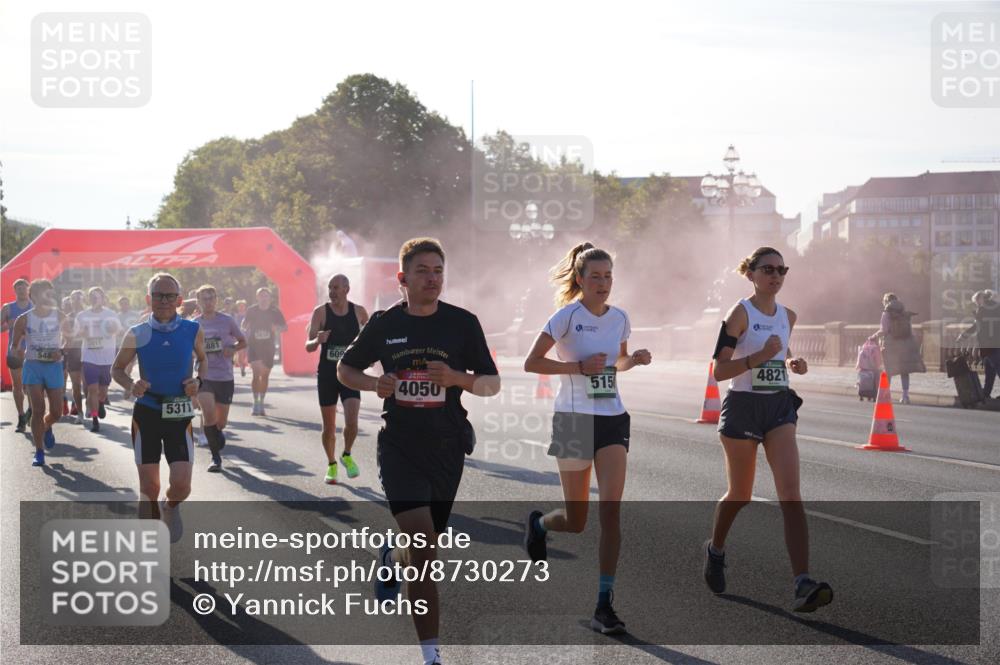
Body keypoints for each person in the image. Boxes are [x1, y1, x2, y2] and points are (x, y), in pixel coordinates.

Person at [338, 238, 500, 665]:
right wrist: (374, 384)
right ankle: (432, 657)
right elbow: (345, 368)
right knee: (425, 553)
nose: (432, 278)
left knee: (421, 546)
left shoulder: (462, 323)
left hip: (447, 448)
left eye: (438, 271)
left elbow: (491, 383)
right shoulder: (384, 324)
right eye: (423, 271)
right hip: (400, 447)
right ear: (403, 278)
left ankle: (392, 555)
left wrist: (457, 378)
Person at [521, 242, 651, 635]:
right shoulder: (566, 316)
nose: (603, 282)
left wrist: (633, 360)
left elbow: (618, 361)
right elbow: (531, 362)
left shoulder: (620, 318)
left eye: (608, 275)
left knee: (611, 512)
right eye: (595, 276)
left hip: (612, 419)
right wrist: (577, 367)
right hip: (573, 420)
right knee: (576, 520)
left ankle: (604, 604)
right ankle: (540, 525)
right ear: (580, 279)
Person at [704, 246, 832, 613]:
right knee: (740, 494)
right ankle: (716, 550)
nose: (776, 275)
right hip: (743, 408)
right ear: (752, 274)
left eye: (781, 270)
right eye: (768, 269)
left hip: (778, 408)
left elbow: (780, 352)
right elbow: (719, 370)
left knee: (791, 495)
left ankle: (802, 582)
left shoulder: (788, 316)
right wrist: (757, 358)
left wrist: (791, 362)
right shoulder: (739, 313)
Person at [112, 273, 206, 542]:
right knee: (149, 487)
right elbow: (116, 369)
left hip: (179, 413)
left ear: (179, 300)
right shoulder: (137, 333)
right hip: (147, 413)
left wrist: (198, 381)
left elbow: (203, 360)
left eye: (169, 296)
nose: (163, 301)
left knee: (182, 485)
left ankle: (171, 505)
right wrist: (131, 384)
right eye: (158, 295)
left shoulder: (192, 329)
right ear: (148, 299)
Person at [306, 274, 369, 484]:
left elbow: (372, 338)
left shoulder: (359, 312)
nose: (332, 292)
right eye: (330, 288)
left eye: (336, 288)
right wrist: (317, 340)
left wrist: (368, 357)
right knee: (329, 427)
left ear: (346, 289)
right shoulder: (320, 312)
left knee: (352, 422)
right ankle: (332, 464)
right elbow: (308, 346)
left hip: (350, 374)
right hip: (327, 376)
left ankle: (346, 454)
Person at [9, 280, 70, 466]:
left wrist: (61, 351)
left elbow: (69, 339)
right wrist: (17, 352)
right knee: (38, 409)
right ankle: (39, 451)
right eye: (44, 293)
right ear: (33, 296)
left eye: (50, 293)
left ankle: (47, 426)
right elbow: (14, 345)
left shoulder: (59, 315)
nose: (48, 297)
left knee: (57, 412)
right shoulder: (24, 319)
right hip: (33, 366)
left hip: (53, 367)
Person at [193, 284, 246, 472]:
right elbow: (187, 348)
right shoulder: (194, 324)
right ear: (198, 302)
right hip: (204, 375)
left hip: (224, 376)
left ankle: (216, 433)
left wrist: (233, 348)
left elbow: (243, 341)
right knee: (208, 415)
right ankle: (215, 458)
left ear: (216, 300)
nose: (208, 302)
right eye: (204, 299)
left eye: (211, 298)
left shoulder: (227, 320)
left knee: (220, 422)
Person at [73, 287, 122, 432]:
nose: (94, 299)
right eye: (92, 297)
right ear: (88, 299)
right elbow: (76, 333)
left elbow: (119, 331)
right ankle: (95, 420)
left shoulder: (111, 314)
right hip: (89, 356)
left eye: (97, 296)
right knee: (92, 388)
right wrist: (83, 333)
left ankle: (101, 403)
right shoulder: (82, 315)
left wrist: (112, 329)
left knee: (103, 391)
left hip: (107, 358)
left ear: (103, 298)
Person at [869, 293, 925, 405]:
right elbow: (909, 330)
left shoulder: (886, 313)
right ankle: (905, 396)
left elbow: (884, 330)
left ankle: (886, 395)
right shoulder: (904, 313)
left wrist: (874, 336)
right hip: (905, 344)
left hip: (891, 345)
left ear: (886, 302)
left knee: (888, 370)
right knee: (904, 371)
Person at [242, 287, 287, 416]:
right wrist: (245, 325)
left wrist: (276, 328)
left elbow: (285, 327)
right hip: (254, 346)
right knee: (256, 374)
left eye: (266, 296)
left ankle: (261, 401)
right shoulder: (252, 310)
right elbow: (244, 325)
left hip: (268, 348)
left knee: (265, 376)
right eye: (261, 296)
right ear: (257, 297)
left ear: (270, 298)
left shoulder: (275, 311)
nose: (264, 298)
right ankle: (256, 402)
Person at [2, 278, 33, 432]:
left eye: (23, 288)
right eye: (18, 288)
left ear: (28, 289)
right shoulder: (8, 308)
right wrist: (8, 325)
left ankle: (31, 410)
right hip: (14, 351)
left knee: (32, 386)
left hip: (33, 352)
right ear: (14, 291)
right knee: (18, 386)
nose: (21, 290)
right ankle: (21, 417)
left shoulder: (35, 307)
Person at [958, 289, 1000, 402]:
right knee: (990, 370)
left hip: (989, 344)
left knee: (996, 368)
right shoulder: (996, 306)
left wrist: (963, 336)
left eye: (976, 302)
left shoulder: (983, 309)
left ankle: (986, 393)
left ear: (980, 299)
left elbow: (977, 326)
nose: (976, 304)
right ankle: (986, 393)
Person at [62, 290, 86, 422]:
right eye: (74, 299)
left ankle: (93, 408)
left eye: (79, 298)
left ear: (83, 300)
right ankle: (80, 413)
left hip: (88, 352)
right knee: (76, 385)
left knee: (87, 385)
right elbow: (65, 335)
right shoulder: (67, 317)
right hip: (72, 353)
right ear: (70, 301)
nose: (76, 301)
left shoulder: (89, 314)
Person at [233, 299, 249, 377]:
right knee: (240, 354)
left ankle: (244, 366)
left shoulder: (248, 315)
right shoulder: (235, 316)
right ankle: (242, 369)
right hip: (239, 337)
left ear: (245, 306)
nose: (241, 307)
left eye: (242, 306)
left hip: (248, 336)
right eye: (239, 306)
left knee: (245, 354)